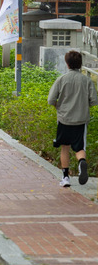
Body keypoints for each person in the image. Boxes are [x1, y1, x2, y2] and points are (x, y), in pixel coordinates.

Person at [47, 49, 98, 187]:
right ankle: (82, 162)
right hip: (81, 120)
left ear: (67, 64)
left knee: (65, 147)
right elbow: (94, 101)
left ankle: (65, 178)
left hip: (64, 119)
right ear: (80, 64)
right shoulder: (87, 80)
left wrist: (59, 106)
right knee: (80, 147)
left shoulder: (61, 79)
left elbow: (51, 100)